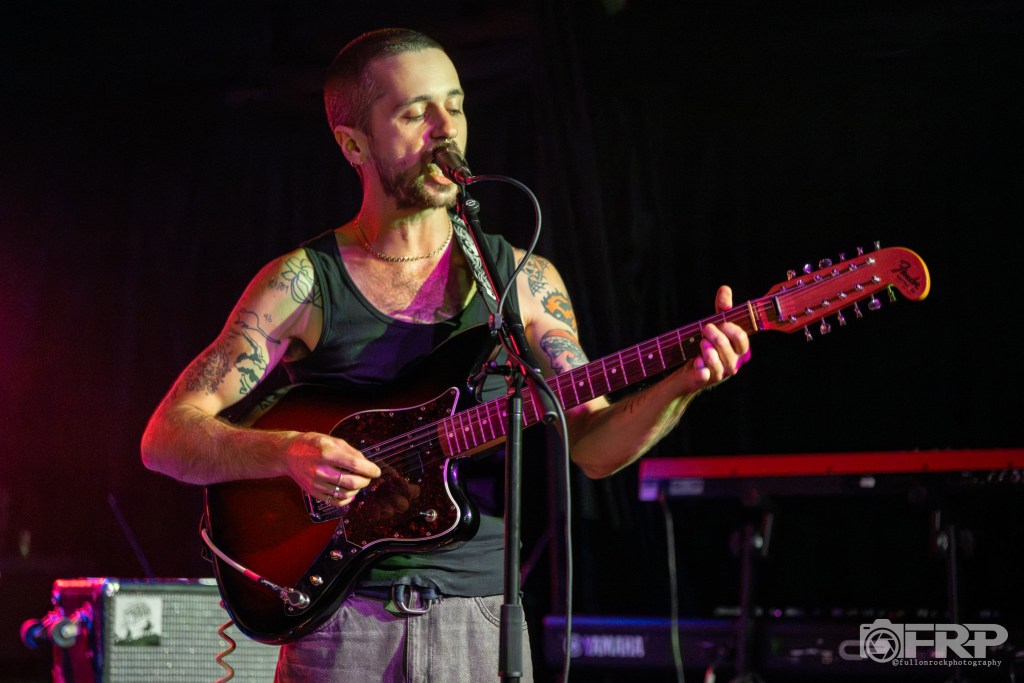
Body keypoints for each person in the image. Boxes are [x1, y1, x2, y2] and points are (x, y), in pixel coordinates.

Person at [140, 27, 750, 682]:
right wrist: (287, 453)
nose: (445, 129)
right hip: (344, 624)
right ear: (353, 144)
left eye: (454, 105)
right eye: (414, 113)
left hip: (479, 621)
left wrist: (682, 383)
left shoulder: (523, 279)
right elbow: (166, 437)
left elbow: (594, 446)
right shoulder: (304, 282)